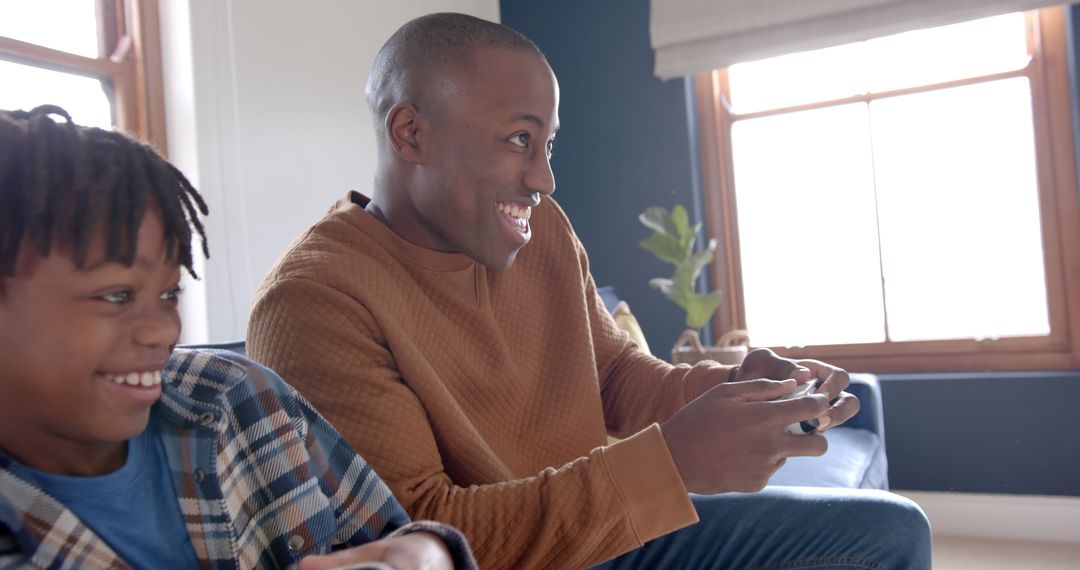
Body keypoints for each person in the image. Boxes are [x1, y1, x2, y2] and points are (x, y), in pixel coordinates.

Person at [247, 13, 932, 570]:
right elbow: (421, 535)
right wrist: (670, 462)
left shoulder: (539, 233)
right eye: (520, 139)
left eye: (548, 144)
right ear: (412, 134)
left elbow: (614, 375)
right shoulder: (313, 303)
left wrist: (734, 392)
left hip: (604, 536)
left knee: (890, 534)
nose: (543, 179)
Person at [0, 105, 476, 570]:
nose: (165, 331)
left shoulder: (242, 398)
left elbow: (396, 532)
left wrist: (427, 552)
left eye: (168, 294)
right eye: (116, 295)